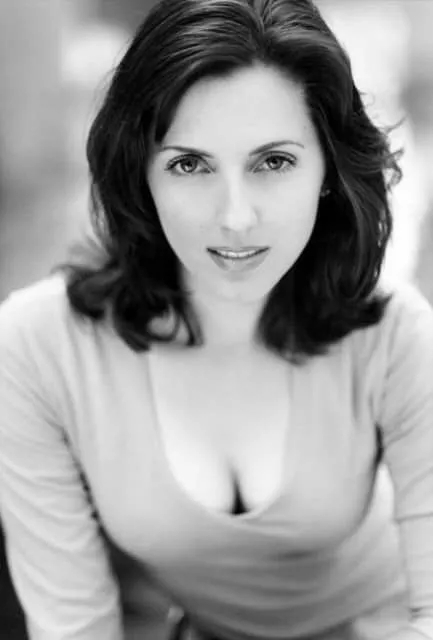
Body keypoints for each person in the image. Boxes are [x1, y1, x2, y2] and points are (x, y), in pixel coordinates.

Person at [0, 0, 432, 638]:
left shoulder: (394, 334)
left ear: (327, 170)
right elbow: (73, 626)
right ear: (141, 173)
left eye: (274, 162)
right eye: (189, 164)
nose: (234, 217)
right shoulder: (38, 344)